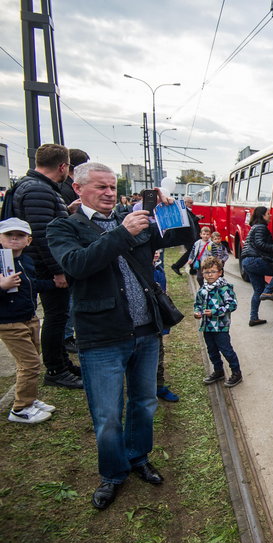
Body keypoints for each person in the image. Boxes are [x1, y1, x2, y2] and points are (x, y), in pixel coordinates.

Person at [47, 162, 191, 510]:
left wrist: (173, 210)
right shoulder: (64, 226)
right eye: (101, 187)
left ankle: (138, 457)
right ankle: (113, 473)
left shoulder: (134, 218)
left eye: (112, 187)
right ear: (78, 188)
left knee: (143, 403)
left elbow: (181, 238)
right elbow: (78, 265)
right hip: (102, 337)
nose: (109, 193)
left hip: (146, 331)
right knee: (108, 414)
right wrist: (122, 232)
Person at [12, 143, 81, 389]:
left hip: (44, 265)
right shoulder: (39, 190)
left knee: (59, 317)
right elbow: (43, 235)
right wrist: (58, 270)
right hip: (46, 267)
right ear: (63, 166)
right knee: (56, 317)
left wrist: (67, 211)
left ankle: (62, 363)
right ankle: (55, 369)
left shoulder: (37, 187)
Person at [0, 218, 58, 423]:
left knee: (31, 359)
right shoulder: (1, 262)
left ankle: (29, 399)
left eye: (20, 235)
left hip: (30, 318)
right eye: (9, 235)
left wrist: (53, 284)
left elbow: (32, 284)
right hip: (9, 323)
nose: (14, 239)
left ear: (29, 240)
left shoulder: (26, 261)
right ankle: (20, 409)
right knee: (30, 363)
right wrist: (2, 285)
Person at [194, 257, 242, 388]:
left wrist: (215, 312)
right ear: (202, 273)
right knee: (212, 350)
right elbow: (198, 303)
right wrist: (197, 312)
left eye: (213, 271)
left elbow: (232, 305)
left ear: (220, 272)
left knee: (226, 350)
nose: (210, 275)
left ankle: (236, 373)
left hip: (220, 327)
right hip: (207, 327)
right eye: (206, 272)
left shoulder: (224, 288)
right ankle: (218, 371)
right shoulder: (203, 289)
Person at [60, 149, 89, 356]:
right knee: (64, 307)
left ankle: (67, 335)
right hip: (66, 264)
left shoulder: (58, 189)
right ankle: (66, 337)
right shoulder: (62, 189)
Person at [240, 207, 273, 325]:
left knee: (257, 291)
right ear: (262, 216)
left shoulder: (254, 227)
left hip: (247, 262)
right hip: (254, 260)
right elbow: (260, 244)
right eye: (268, 214)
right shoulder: (261, 227)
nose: (270, 215)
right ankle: (268, 291)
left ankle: (253, 318)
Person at [152, 250, 179, 403]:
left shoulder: (159, 268)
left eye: (158, 250)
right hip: (145, 321)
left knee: (159, 354)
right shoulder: (140, 269)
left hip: (158, 318)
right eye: (153, 251)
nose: (157, 253)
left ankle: (158, 386)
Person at [170, 196, 201, 275]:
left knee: (192, 252)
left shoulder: (186, 210)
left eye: (192, 202)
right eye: (190, 203)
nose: (192, 204)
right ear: (185, 203)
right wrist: (197, 218)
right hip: (188, 235)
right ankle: (177, 266)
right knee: (192, 251)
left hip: (190, 235)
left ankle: (191, 269)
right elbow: (188, 223)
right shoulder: (184, 211)